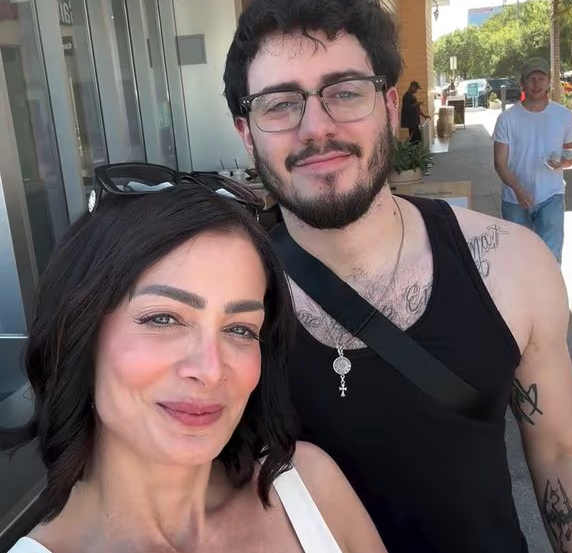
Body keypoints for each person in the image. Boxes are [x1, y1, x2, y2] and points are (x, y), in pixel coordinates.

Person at [224, 1, 572, 552]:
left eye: (345, 92)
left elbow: (559, 452)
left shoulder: (513, 263)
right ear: (247, 134)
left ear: (389, 107)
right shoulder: (216, 300)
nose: (316, 128)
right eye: (281, 103)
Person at [8, 170, 387, 553]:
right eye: (163, 319)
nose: (210, 370)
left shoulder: (310, 488)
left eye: (240, 329)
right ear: (80, 336)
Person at [493, 57, 572, 264]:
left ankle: (550, 286)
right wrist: (518, 190)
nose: (536, 84)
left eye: (541, 78)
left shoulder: (564, 116)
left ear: (549, 82)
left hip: (551, 196)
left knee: (550, 258)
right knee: (519, 259)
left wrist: (564, 162)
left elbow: (570, 154)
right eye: (531, 79)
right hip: (514, 199)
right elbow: (500, 163)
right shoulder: (507, 119)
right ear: (522, 83)